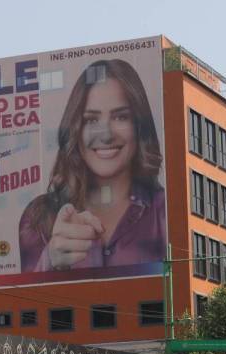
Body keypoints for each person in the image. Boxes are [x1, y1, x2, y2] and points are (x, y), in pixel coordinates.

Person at [18, 59, 166, 274]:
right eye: (91, 120)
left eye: (120, 117)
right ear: (75, 128)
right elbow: (21, 301)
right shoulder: (38, 217)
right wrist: (50, 261)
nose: (105, 135)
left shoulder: (164, 211)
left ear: (139, 126)